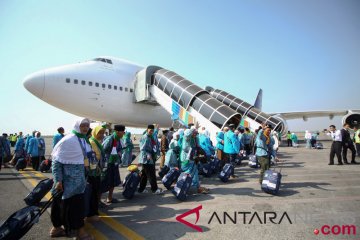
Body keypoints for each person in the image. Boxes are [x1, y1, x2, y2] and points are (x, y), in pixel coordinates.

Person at [50, 117, 94, 239]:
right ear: (77, 126)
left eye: (87, 126)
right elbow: (56, 162)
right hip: (65, 184)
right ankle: (79, 232)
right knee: (71, 208)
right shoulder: (69, 140)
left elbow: (88, 157)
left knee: (66, 208)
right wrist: (58, 180)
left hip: (78, 183)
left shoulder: (84, 141)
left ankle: (58, 229)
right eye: (82, 126)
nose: (85, 128)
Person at [180, 129, 209, 194]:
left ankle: (196, 187)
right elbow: (185, 148)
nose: (195, 135)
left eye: (196, 134)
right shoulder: (187, 138)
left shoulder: (194, 138)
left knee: (195, 172)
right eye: (194, 133)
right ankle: (190, 187)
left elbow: (196, 148)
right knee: (189, 173)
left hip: (191, 159)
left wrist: (197, 153)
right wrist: (193, 152)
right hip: (186, 159)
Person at [102, 124, 125, 203]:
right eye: (122, 132)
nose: (123, 133)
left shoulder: (119, 139)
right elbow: (103, 149)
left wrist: (118, 153)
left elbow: (121, 149)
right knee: (104, 181)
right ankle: (98, 201)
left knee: (113, 181)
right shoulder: (110, 139)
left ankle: (110, 197)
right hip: (108, 163)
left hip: (114, 163)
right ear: (117, 132)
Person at [88, 125, 106, 222]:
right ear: (95, 132)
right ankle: (92, 213)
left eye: (103, 133)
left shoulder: (97, 142)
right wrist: (97, 166)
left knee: (96, 191)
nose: (102, 135)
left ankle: (94, 211)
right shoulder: (91, 142)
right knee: (93, 192)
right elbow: (91, 157)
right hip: (92, 172)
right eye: (100, 133)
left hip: (97, 171)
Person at [138, 124, 163, 194]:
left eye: (152, 130)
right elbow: (142, 148)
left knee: (144, 174)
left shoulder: (150, 136)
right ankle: (154, 189)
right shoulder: (145, 137)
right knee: (151, 174)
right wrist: (148, 155)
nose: (151, 132)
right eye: (150, 130)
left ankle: (141, 189)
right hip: (146, 159)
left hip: (150, 157)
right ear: (147, 130)